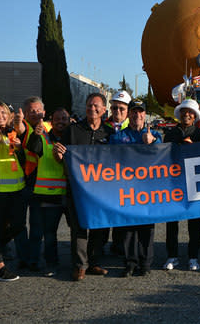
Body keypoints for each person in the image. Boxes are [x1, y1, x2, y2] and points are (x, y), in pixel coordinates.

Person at [53, 92, 114, 281]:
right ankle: (80, 265)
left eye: (96, 106)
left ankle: (94, 262)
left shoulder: (110, 133)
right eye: (89, 105)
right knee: (79, 227)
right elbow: (59, 157)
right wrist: (58, 154)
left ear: (104, 110)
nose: (92, 109)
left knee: (100, 226)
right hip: (77, 189)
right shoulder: (72, 130)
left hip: (102, 190)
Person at [109, 99, 162, 277]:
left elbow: (165, 154)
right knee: (128, 229)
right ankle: (130, 263)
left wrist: (152, 142)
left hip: (148, 189)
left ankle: (145, 263)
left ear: (144, 115)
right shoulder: (118, 136)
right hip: (127, 189)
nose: (137, 115)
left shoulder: (155, 134)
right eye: (134, 111)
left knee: (147, 227)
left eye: (140, 111)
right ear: (129, 114)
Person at [24, 107, 71, 277]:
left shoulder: (73, 136)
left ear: (69, 120)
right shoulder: (43, 137)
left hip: (70, 193)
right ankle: (51, 264)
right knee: (49, 233)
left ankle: (77, 262)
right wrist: (36, 135)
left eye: (64, 119)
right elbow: (32, 148)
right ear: (51, 120)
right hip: (49, 193)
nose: (60, 122)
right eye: (57, 119)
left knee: (76, 230)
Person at [0, 101, 26, 281]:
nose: (0, 116)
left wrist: (18, 147)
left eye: (3, 113)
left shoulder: (11, 132)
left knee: (18, 225)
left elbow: (20, 157)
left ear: (9, 116)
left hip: (17, 186)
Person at [163, 99, 200, 271]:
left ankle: (193, 257)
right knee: (172, 222)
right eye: (184, 111)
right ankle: (172, 256)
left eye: (190, 112)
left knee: (194, 222)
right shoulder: (170, 133)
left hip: (195, 184)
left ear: (195, 116)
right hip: (174, 183)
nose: (186, 114)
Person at [13, 96, 50, 271]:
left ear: (44, 111)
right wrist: (19, 121)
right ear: (25, 114)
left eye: (37, 110)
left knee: (37, 227)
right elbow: (19, 128)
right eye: (30, 111)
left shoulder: (49, 128)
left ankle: (33, 259)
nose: (35, 114)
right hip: (22, 182)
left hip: (40, 184)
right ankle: (23, 257)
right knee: (19, 225)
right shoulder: (23, 127)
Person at [104, 90, 132, 255]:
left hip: (127, 179)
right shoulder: (103, 127)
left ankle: (121, 244)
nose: (117, 112)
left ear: (127, 110)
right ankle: (101, 245)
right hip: (106, 178)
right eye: (114, 108)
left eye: (121, 109)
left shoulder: (134, 127)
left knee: (124, 213)